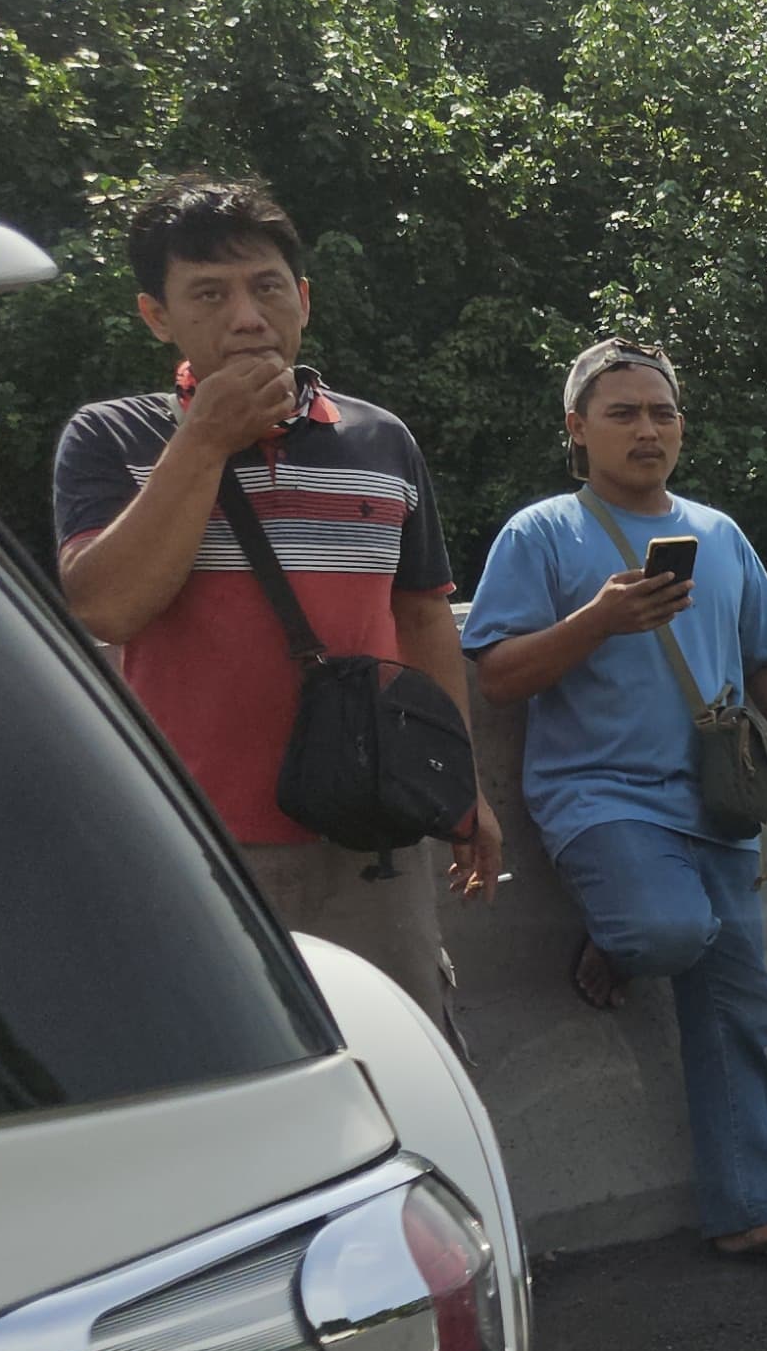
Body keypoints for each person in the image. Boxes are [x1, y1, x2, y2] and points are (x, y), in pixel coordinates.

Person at [56, 177, 497, 1017]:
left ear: (302, 300)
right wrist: (206, 438)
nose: (247, 318)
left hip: (375, 834)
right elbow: (108, 607)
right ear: (159, 317)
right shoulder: (111, 438)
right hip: (199, 845)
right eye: (209, 295)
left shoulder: (382, 439)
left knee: (399, 1062)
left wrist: (461, 783)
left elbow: (422, 616)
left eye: (265, 289)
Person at [466, 340, 767, 1272]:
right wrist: (598, 618)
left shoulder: (719, 533)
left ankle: (747, 1208)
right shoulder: (542, 534)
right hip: (599, 794)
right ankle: (618, 932)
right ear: (577, 429)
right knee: (665, 932)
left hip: (715, 797)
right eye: (623, 412)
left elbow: (766, 653)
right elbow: (500, 675)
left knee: (739, 1008)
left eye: (661, 412)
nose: (647, 430)